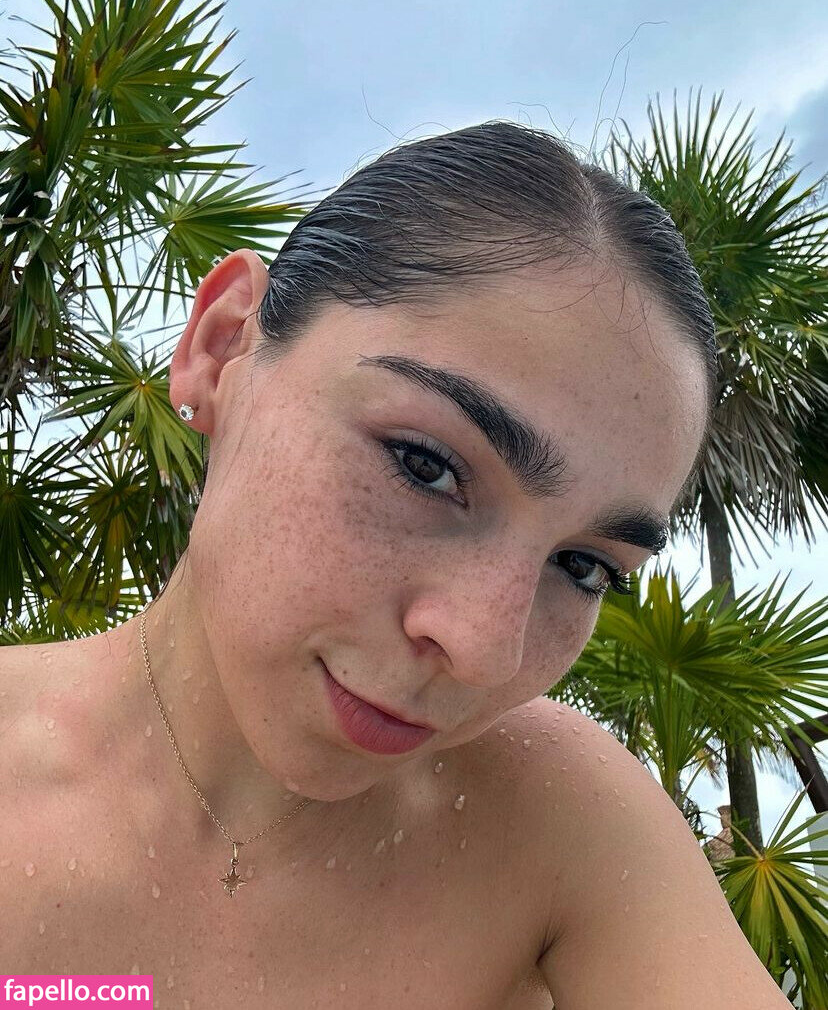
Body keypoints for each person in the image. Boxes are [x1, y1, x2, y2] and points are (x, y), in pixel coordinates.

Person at [1, 120, 790, 1009]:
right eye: (426, 465)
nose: (485, 650)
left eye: (582, 566)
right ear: (221, 347)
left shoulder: (558, 827)